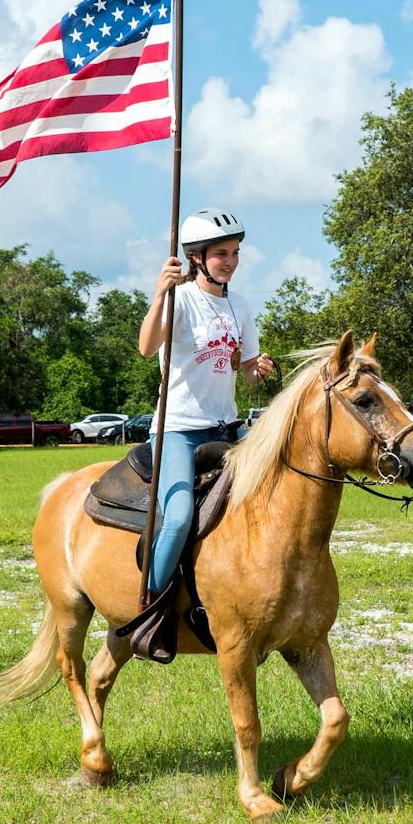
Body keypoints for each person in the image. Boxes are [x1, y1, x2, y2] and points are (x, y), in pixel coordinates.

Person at [136, 207, 273, 598]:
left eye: (235, 253)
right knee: (179, 517)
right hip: (178, 429)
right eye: (221, 254)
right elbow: (147, 348)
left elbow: (247, 371)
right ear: (196, 257)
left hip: (225, 427)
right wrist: (160, 293)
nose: (231, 262)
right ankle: (150, 602)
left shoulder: (240, 306)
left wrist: (259, 369)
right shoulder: (180, 300)